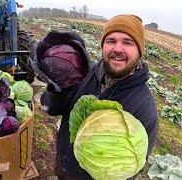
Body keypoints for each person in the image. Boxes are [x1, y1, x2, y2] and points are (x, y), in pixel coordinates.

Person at [39, 14, 158, 179]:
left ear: (139, 51)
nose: (117, 49)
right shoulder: (86, 72)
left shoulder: (144, 107)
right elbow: (50, 107)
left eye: (128, 42)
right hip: (62, 164)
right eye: (111, 41)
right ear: (103, 45)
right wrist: (58, 89)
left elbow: (130, 168)